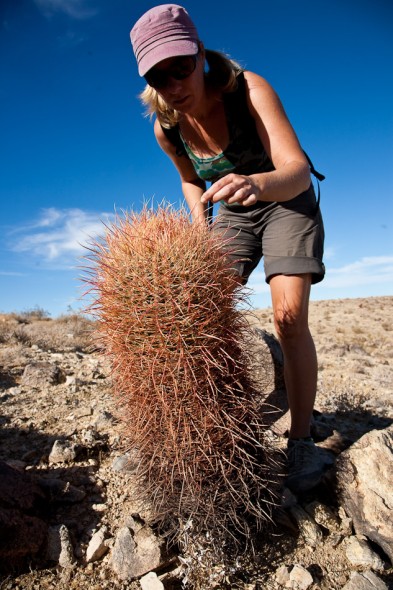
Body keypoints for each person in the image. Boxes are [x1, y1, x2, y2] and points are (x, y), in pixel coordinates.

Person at [130, 4, 327, 493]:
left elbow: (297, 169)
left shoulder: (248, 89)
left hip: (283, 196)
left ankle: (300, 438)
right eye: (160, 75)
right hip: (234, 208)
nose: (174, 82)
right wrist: (200, 227)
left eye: (181, 66)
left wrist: (257, 184)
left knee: (288, 317)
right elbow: (191, 181)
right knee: (196, 311)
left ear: (200, 54)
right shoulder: (166, 127)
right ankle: (203, 436)